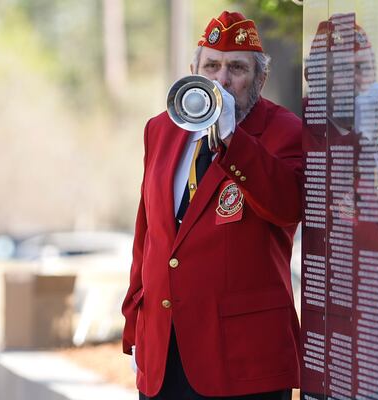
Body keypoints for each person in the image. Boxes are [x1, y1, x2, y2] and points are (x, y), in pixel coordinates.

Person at [121, 11, 302, 400]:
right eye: (212, 66)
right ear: (194, 71)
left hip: (242, 358)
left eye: (236, 68)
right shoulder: (161, 128)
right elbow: (148, 234)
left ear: (260, 79)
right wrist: (136, 324)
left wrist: (234, 138)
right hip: (163, 352)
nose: (221, 79)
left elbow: (287, 208)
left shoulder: (285, 130)